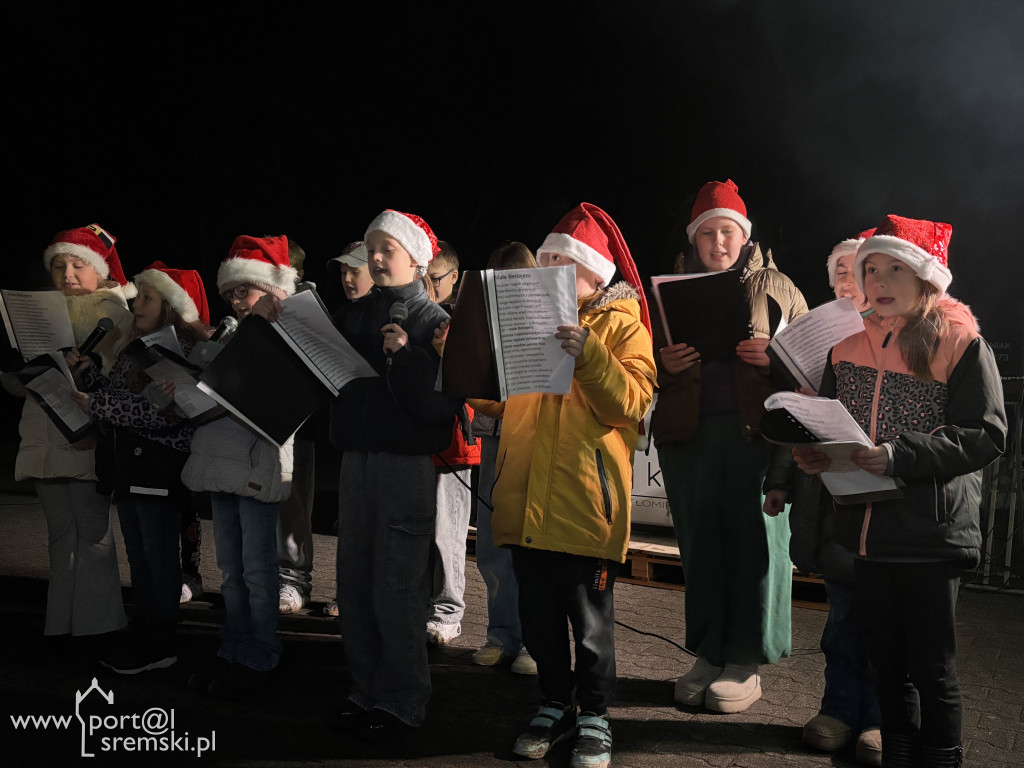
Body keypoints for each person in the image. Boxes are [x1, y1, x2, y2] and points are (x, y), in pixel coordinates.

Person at [793, 214, 1006, 768]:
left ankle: (941, 758)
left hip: (931, 532)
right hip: (866, 529)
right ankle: (899, 753)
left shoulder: (961, 341)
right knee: (885, 662)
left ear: (927, 280)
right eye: (871, 270)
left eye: (895, 269)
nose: (879, 282)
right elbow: (835, 423)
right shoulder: (844, 346)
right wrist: (816, 455)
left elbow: (986, 434)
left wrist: (899, 455)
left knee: (931, 666)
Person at [492, 203, 656, 768]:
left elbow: (633, 402)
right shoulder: (527, 316)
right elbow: (501, 398)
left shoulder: (622, 324)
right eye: (546, 258)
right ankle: (552, 703)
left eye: (563, 258)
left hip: (588, 504)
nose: (550, 267)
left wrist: (588, 353)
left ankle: (594, 715)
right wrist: (458, 359)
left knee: (590, 626)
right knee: (538, 620)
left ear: (595, 272)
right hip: (525, 500)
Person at [652, 180, 808, 713]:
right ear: (694, 239)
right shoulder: (669, 289)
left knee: (755, 546)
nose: (719, 242)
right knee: (702, 546)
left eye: (729, 232)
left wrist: (776, 358)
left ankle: (746, 659)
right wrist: (662, 365)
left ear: (745, 236)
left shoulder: (777, 285)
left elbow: (814, 364)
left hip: (754, 436)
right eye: (709, 233)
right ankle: (709, 652)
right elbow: (642, 365)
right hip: (690, 437)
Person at [325, 209, 461, 740]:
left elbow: (438, 408)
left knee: (398, 586)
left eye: (388, 250)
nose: (377, 258)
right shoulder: (352, 316)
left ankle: (403, 699)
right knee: (354, 582)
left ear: (416, 259)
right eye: (372, 248)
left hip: (406, 467)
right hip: (357, 461)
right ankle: (365, 690)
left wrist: (407, 357)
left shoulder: (433, 322)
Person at [763, 230, 882, 765]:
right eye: (837, 272)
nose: (846, 281)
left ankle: (879, 721)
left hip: (881, 497)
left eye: (855, 271)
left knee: (882, 618)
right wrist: (780, 480)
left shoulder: (897, 338)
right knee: (841, 619)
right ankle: (837, 710)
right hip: (829, 497)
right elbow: (800, 412)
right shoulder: (821, 339)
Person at [72, 262, 211, 674]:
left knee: (158, 556)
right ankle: (143, 631)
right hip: (128, 468)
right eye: (139, 297)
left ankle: (160, 642)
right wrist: (89, 374)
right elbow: (120, 401)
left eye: (147, 298)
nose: (137, 304)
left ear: (170, 306)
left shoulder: (177, 351)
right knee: (139, 555)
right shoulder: (134, 346)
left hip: (157, 467)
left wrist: (99, 404)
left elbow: (162, 413)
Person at [2, 224, 134, 648]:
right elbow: (15, 386)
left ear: (99, 271)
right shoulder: (38, 314)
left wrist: (83, 368)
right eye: (60, 265)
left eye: (79, 264)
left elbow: (120, 377)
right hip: (42, 439)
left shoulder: (113, 314)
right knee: (60, 536)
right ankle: (62, 625)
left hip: (83, 437)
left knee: (92, 536)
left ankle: (99, 627)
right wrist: (21, 366)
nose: (69, 274)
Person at [182, 235, 296, 699]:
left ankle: (262, 649)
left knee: (256, 569)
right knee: (230, 566)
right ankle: (235, 642)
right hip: (218, 460)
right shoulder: (229, 333)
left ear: (273, 291)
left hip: (256, 461)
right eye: (230, 292)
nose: (234, 300)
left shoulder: (286, 333)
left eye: (243, 291)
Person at [468, 241, 539, 675]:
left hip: (533, 442)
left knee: (530, 546)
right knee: (493, 546)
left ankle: (535, 642)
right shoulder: (480, 320)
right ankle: (501, 635)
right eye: (497, 283)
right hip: (493, 441)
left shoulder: (547, 322)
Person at [278, 237, 316, 614]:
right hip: (261, 426)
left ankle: (294, 581)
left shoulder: (307, 310)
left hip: (300, 427)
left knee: (294, 505)